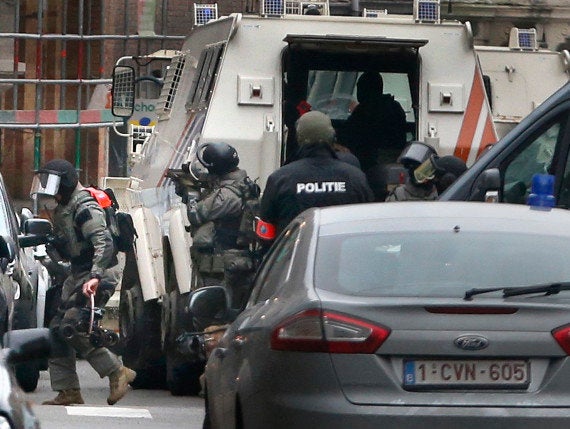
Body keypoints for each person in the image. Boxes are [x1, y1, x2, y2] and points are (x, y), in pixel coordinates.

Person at [30, 159, 136, 406]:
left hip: (98, 273)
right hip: (80, 272)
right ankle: (68, 390)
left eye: (52, 182)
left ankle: (116, 372)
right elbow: (74, 246)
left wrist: (96, 276)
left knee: (73, 325)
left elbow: (104, 243)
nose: (49, 188)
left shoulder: (84, 206)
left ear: (64, 182)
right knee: (58, 329)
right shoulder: (66, 206)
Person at [258, 110, 374, 239]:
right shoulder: (355, 177)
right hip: (344, 256)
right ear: (332, 136)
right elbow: (368, 224)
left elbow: (265, 233)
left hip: (295, 257)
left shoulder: (280, 179)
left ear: (299, 138)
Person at [185, 142, 258, 309]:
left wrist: (191, 196)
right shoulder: (243, 185)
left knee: (212, 309)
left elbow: (196, 215)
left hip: (223, 261)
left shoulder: (227, 195)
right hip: (237, 259)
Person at [339, 72, 407, 172]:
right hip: (392, 158)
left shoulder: (365, 110)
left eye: (361, 87)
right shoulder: (394, 106)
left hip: (373, 160)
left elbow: (349, 134)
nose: (359, 92)